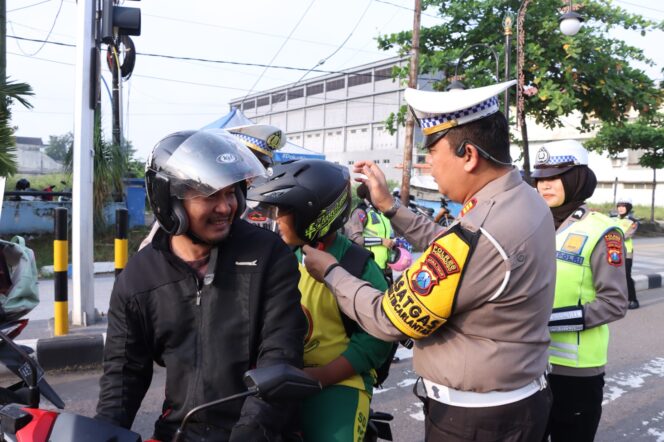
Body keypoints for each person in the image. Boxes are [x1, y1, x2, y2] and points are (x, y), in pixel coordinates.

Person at [301, 80, 556, 441]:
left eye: (433, 154)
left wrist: (330, 272)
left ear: (468, 155)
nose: (429, 167)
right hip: (514, 400)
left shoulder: (484, 230)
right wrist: (390, 206)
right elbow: (455, 251)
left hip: (475, 420)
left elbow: (388, 318)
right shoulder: (523, 200)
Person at [96, 129, 306, 442]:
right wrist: (102, 433)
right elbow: (123, 375)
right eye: (210, 195)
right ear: (170, 201)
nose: (226, 207)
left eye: (231, 192)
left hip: (261, 432)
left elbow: (280, 353)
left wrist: (251, 431)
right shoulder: (140, 277)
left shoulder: (268, 255)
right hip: (181, 432)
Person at [247, 159, 393, 442]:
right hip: (276, 377)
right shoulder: (274, 255)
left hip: (339, 382)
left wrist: (322, 376)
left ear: (311, 214)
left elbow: (376, 341)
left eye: (284, 211)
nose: (275, 219)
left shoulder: (355, 264)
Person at [532, 139, 628, 442]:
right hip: (527, 365)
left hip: (575, 373)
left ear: (576, 179)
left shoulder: (602, 231)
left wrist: (545, 321)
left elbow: (614, 303)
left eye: (555, 176)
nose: (544, 185)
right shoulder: (530, 223)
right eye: (540, 178)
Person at [138, 124, 286, 249]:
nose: (251, 173)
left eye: (262, 166)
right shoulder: (182, 212)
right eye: (245, 163)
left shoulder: (263, 204)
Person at [344, 183, 395, 283]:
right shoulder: (360, 212)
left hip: (386, 268)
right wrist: (381, 241)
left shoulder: (382, 212)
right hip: (370, 268)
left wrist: (392, 256)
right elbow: (354, 239)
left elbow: (389, 237)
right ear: (370, 194)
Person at [612, 196, 639, 309]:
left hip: (626, 252)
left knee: (626, 276)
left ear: (628, 208)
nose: (621, 208)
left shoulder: (632, 222)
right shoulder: (612, 219)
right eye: (619, 206)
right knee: (613, 276)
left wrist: (612, 236)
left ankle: (633, 299)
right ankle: (617, 299)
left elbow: (627, 235)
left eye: (624, 206)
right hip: (613, 252)